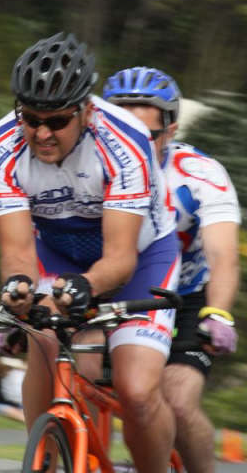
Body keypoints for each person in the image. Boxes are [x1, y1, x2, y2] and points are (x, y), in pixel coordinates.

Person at [0, 32, 181, 473]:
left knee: (136, 388)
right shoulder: (0, 150)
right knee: (45, 340)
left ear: (86, 111)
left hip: (142, 256)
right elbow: (17, 251)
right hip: (60, 251)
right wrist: (18, 289)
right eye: (30, 118)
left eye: (56, 120)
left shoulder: (125, 142)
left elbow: (120, 259)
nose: (41, 132)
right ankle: (48, 461)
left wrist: (84, 287)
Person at [103, 67, 240, 473]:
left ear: (172, 129)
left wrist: (217, 311)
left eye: (147, 136)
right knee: (85, 384)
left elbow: (223, 255)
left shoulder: (201, 174)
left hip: (182, 297)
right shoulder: (91, 168)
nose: (135, 146)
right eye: (120, 133)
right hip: (115, 289)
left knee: (178, 404)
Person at [0, 355, 26, 422]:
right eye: (8, 368)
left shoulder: (5, 379)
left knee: (22, 411)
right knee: (13, 412)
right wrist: (14, 405)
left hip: (4, 404)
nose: (10, 370)